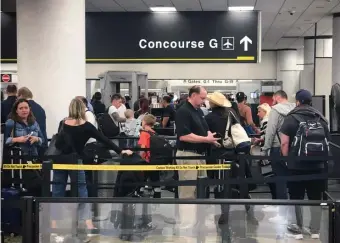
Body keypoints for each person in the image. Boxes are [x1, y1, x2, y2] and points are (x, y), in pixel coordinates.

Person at [51, 98, 133, 241]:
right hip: (76, 161)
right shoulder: (87, 126)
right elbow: (104, 140)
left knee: (58, 190)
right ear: (83, 109)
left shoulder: (63, 123)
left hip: (59, 161)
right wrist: (121, 151)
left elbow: (58, 144)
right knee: (82, 191)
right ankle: (87, 224)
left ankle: (53, 225)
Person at [280, 89, 329, 240]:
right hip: (318, 166)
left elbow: (284, 143)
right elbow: (327, 141)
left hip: (297, 166)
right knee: (316, 198)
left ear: (298, 102)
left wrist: (288, 161)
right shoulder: (321, 118)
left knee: (296, 197)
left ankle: (297, 231)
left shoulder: (291, 118)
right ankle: (315, 230)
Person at [175, 85, 220, 228]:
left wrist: (211, 139)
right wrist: (206, 140)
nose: (204, 100)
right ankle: (187, 224)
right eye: (202, 97)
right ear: (193, 95)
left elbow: (205, 131)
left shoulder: (198, 111)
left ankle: (196, 220)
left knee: (200, 189)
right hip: (188, 155)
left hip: (200, 155)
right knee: (188, 191)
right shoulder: (183, 111)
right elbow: (184, 136)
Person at [261, 90, 296, 219]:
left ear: (277, 98)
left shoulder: (275, 110)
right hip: (294, 149)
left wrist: (265, 148)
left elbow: (270, 130)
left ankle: (282, 214)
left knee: (280, 180)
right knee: (293, 181)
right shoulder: (295, 108)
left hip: (278, 148)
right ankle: (293, 214)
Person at [17, 87, 48, 155]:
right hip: (42, 144)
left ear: (21, 95)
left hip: (29, 147)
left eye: (17, 97)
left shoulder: (23, 110)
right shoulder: (40, 108)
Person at [138, 114, 161, 199]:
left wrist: (141, 157)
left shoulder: (144, 133)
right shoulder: (154, 133)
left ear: (145, 122)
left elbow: (143, 148)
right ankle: (157, 195)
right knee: (155, 178)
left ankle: (140, 192)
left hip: (146, 160)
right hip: (155, 159)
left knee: (142, 177)